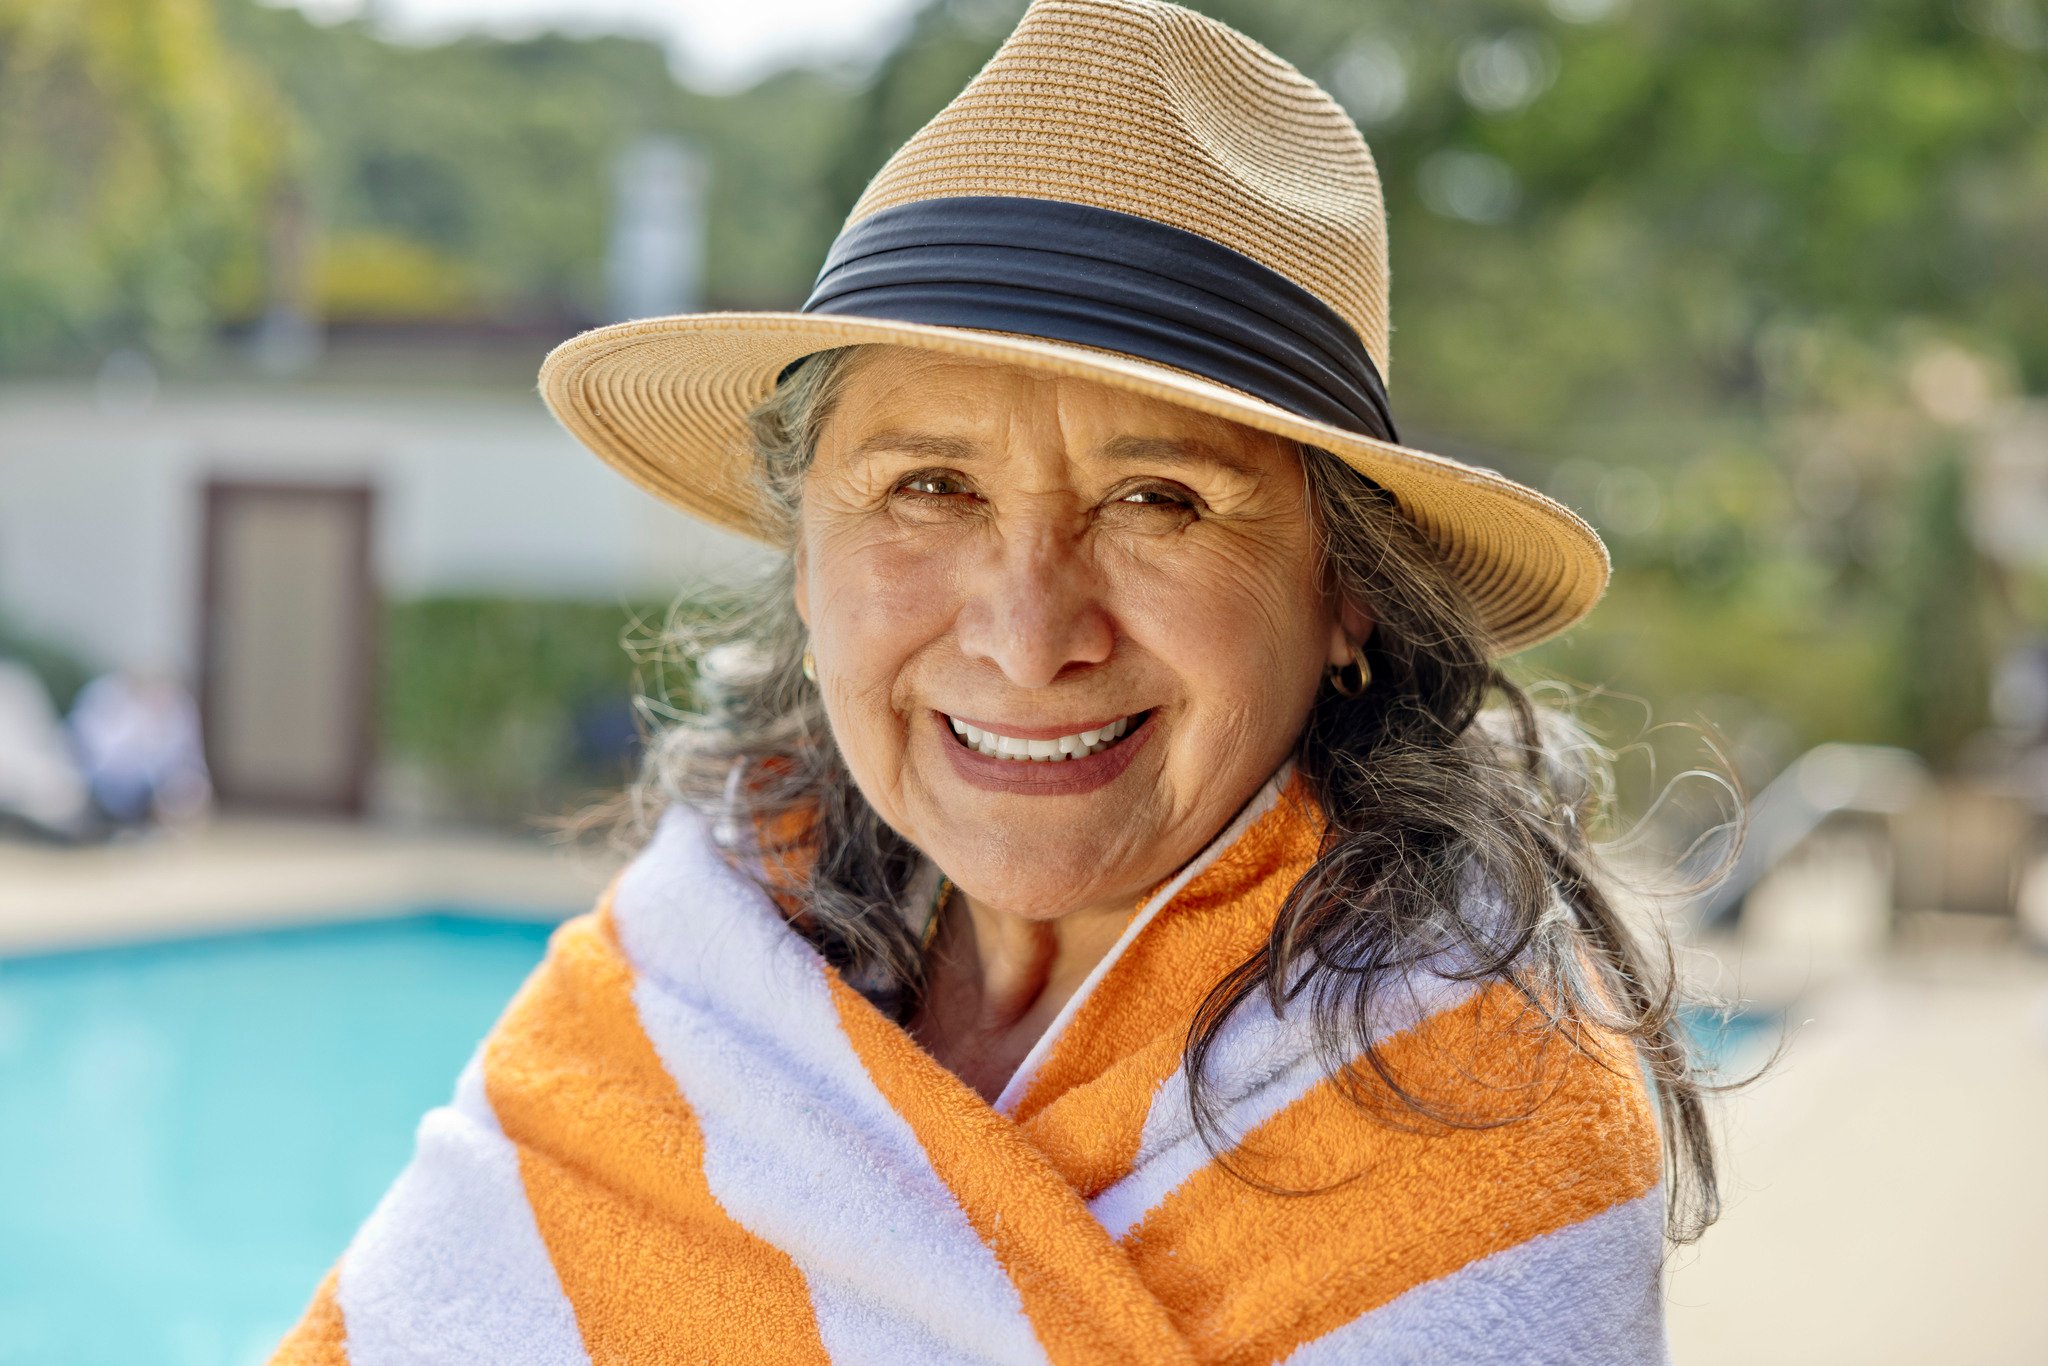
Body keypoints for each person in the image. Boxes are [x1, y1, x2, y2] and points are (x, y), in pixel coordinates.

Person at [275, 1, 1730, 1360]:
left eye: (1157, 499)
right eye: (927, 485)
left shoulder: (1487, 1130)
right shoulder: (670, 1007)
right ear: (806, 560)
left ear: (1344, 588)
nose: (1030, 637)